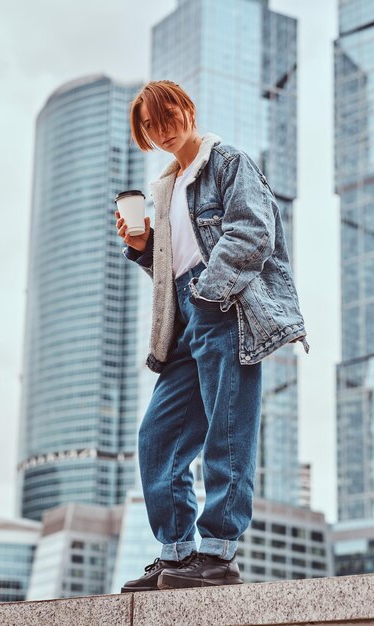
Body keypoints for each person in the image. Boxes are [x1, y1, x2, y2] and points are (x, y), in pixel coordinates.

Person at [115, 80, 309, 591]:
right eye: (150, 125)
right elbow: (172, 267)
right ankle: (177, 555)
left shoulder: (226, 162)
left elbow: (252, 231)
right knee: (158, 437)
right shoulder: (168, 185)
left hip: (225, 307)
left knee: (228, 432)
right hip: (183, 319)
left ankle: (219, 554)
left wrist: (207, 291)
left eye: (167, 114)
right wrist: (143, 245)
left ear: (187, 108)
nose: (161, 128)